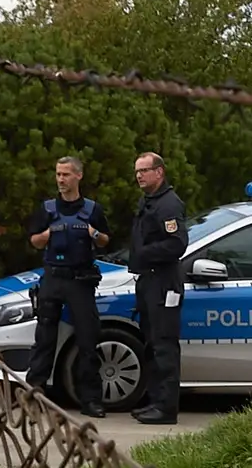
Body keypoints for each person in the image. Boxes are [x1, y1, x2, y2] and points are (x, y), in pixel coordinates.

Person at [26, 157, 109, 412]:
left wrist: (92, 233)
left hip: (80, 280)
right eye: (58, 174)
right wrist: (49, 234)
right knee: (44, 337)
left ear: (78, 176)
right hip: (53, 278)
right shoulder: (48, 208)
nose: (61, 180)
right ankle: (36, 391)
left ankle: (91, 399)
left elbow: (105, 240)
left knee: (87, 340)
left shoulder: (92, 210)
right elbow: (35, 241)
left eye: (66, 175)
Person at [124, 149, 189, 425]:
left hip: (163, 282)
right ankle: (154, 402)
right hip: (148, 281)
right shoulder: (149, 201)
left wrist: (144, 253)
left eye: (144, 171)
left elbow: (177, 244)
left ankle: (166, 408)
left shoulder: (168, 205)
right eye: (137, 171)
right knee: (151, 344)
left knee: (164, 346)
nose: (139, 175)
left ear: (159, 172)